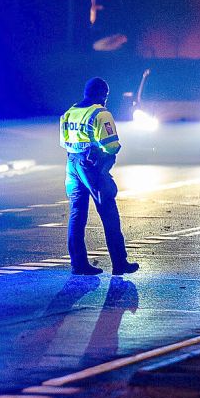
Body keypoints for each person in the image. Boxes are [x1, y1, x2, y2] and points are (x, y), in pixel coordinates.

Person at [60, 77, 139, 276]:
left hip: (72, 164)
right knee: (109, 213)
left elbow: (64, 142)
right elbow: (111, 145)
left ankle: (78, 264)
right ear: (103, 95)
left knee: (77, 214)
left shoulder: (69, 113)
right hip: (91, 167)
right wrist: (106, 154)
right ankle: (119, 263)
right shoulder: (100, 113)